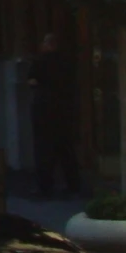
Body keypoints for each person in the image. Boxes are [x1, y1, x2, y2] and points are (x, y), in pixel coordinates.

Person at [28, 31, 81, 196]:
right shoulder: (66, 62)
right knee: (65, 148)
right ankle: (72, 183)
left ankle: (45, 185)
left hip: (44, 109)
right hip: (64, 109)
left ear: (48, 45)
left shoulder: (41, 61)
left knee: (44, 149)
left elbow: (31, 80)